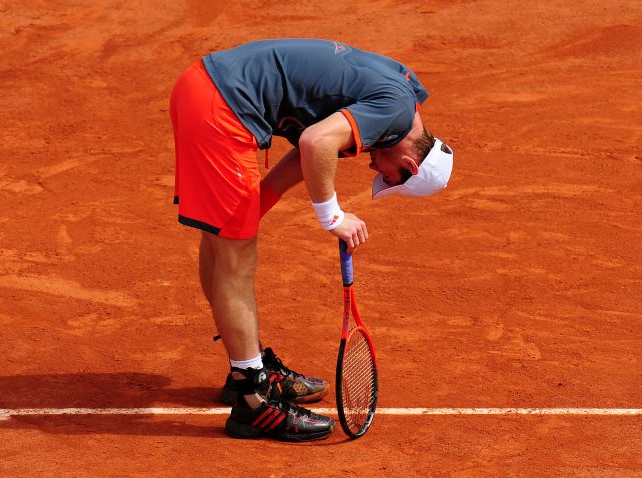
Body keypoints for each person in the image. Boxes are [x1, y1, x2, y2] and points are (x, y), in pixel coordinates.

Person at [169, 39, 453, 441]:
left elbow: (317, 143)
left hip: (206, 87)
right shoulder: (391, 113)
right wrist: (331, 216)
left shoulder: (404, 99)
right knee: (236, 257)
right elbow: (315, 143)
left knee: (225, 240)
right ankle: (253, 398)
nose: (373, 166)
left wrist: (259, 201)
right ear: (409, 165)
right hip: (223, 108)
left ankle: (247, 370)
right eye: (386, 177)